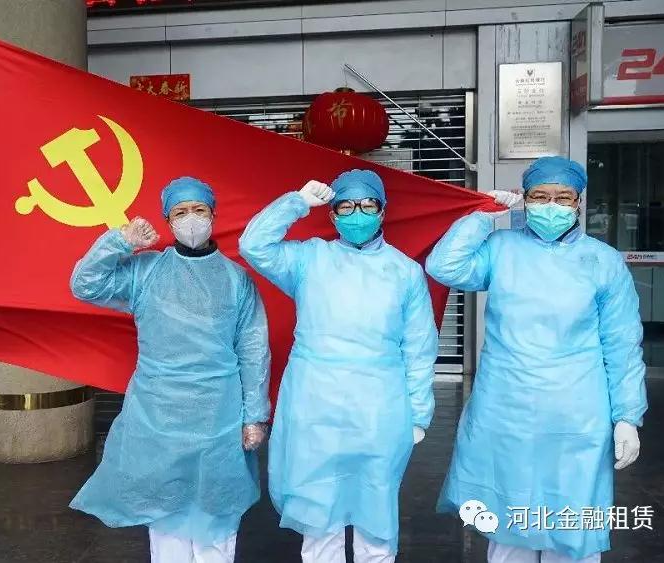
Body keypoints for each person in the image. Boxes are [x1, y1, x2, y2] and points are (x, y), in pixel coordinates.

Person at [427, 156, 647, 563]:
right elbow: (445, 266)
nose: (551, 206)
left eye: (562, 198)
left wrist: (627, 416)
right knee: (510, 521)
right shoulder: (502, 248)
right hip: (506, 406)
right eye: (540, 196)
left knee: (572, 521)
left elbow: (622, 343)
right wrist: (483, 217)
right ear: (525, 200)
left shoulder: (602, 261)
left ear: (578, 203)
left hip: (576, 411)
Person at [68, 177, 271, 563]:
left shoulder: (236, 280)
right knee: (165, 518)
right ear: (167, 220)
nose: (191, 218)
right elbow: (85, 285)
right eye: (180, 212)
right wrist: (120, 242)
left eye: (199, 210)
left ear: (213, 215)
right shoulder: (146, 271)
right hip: (157, 413)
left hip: (219, 413)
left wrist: (255, 415)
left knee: (216, 517)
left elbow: (253, 350)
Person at [239, 170, 438, 563]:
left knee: (375, 510)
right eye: (346, 206)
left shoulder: (405, 272)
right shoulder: (309, 259)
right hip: (316, 402)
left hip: (379, 407)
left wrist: (418, 414)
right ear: (331, 214)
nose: (357, 214)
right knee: (319, 513)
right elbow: (253, 245)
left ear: (383, 211)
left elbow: (419, 347)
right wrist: (296, 203)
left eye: (367, 205)